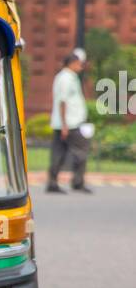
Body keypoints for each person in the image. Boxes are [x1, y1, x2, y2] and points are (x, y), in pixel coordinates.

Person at [46, 48, 93, 193]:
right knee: (81, 152)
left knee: (59, 153)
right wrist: (65, 125)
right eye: (79, 64)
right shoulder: (66, 78)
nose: (81, 67)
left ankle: (52, 183)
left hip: (64, 123)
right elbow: (63, 101)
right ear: (72, 63)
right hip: (70, 124)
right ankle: (77, 182)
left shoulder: (66, 77)